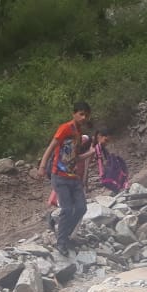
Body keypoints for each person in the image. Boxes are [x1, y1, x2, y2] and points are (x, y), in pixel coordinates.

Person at [35, 101, 96, 256]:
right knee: (67, 209)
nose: (83, 117)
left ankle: (65, 235)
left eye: (86, 115)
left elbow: (74, 158)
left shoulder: (78, 132)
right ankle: (61, 242)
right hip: (59, 176)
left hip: (73, 176)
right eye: (81, 114)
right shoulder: (65, 128)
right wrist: (42, 166)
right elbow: (51, 146)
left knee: (81, 208)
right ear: (74, 113)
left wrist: (92, 152)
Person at [91, 130, 130, 194]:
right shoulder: (97, 147)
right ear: (100, 136)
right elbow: (99, 160)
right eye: (106, 140)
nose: (106, 143)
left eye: (108, 141)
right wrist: (101, 173)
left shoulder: (101, 147)